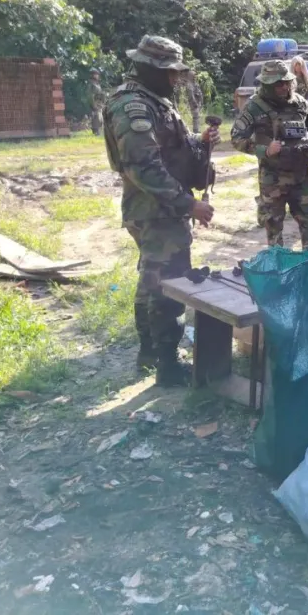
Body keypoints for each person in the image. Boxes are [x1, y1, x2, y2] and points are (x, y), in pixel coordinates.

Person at [102, 35, 219, 386]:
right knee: (169, 284)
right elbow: (144, 167)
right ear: (150, 68)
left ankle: (150, 353)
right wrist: (190, 204)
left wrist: (200, 143)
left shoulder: (153, 100)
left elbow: (170, 148)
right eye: (170, 72)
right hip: (157, 211)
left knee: (151, 280)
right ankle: (167, 366)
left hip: (160, 208)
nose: (174, 79)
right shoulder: (133, 106)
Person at [231, 60, 308, 249]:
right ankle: (279, 264)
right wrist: (264, 150)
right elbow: (236, 138)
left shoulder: (301, 104)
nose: (284, 87)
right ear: (267, 84)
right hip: (272, 178)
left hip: (301, 176)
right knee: (273, 226)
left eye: (286, 82)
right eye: (278, 84)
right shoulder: (254, 106)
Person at [88, 68, 106, 136]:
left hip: (99, 102)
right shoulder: (91, 84)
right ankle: (96, 131)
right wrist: (93, 104)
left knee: (100, 117)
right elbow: (90, 95)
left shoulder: (97, 84)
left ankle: (98, 131)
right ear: (93, 75)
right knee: (96, 117)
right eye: (96, 74)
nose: (97, 76)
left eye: (97, 74)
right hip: (95, 102)